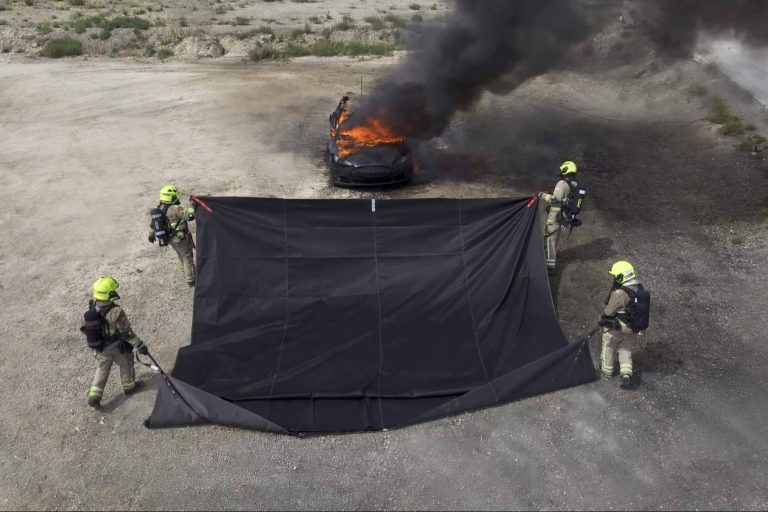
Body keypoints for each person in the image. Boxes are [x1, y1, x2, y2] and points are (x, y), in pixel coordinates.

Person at [84, 277, 149, 408]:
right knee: (127, 362)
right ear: (110, 294)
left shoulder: (92, 309)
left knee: (102, 369)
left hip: (100, 348)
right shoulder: (116, 312)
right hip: (116, 347)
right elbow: (127, 333)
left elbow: (85, 328)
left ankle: (94, 396)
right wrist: (140, 346)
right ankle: (129, 387)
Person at [599, 261, 642, 389]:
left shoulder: (620, 294)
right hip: (633, 328)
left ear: (620, 277)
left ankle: (607, 371)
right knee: (626, 349)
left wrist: (602, 319)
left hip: (617, 327)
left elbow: (608, 311)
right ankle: (626, 373)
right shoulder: (639, 288)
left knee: (609, 346)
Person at [148, 185, 197, 287]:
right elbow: (190, 216)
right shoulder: (175, 209)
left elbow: (154, 223)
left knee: (181, 255)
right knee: (187, 257)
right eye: (175, 196)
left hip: (171, 239)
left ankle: (185, 272)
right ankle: (191, 280)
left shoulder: (160, 208)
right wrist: (193, 205)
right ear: (171, 197)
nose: (177, 198)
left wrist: (151, 234)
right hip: (181, 239)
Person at [539, 161, 579, 274]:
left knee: (550, 240)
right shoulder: (573, 184)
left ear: (565, 170)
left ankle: (549, 268)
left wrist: (542, 195)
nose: (560, 172)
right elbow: (564, 198)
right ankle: (547, 261)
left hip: (556, 218)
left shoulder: (562, 183)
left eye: (562, 170)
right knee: (552, 239)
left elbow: (555, 201)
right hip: (564, 218)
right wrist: (552, 193)